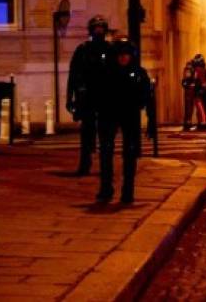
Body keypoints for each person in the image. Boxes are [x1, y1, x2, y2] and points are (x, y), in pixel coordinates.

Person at [97, 37, 155, 204]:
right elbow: (98, 95)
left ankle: (127, 191)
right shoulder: (107, 72)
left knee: (130, 153)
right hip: (110, 114)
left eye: (126, 55)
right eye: (120, 54)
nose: (123, 58)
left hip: (130, 115)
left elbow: (148, 98)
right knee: (106, 152)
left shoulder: (139, 73)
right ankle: (106, 188)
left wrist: (151, 121)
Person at [66, 15, 111, 176]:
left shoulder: (110, 50)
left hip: (105, 98)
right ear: (91, 30)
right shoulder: (83, 50)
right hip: (87, 98)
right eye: (96, 28)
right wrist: (70, 97)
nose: (99, 31)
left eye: (101, 28)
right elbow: (73, 75)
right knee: (86, 134)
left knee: (106, 134)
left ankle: (106, 165)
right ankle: (85, 164)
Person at [181, 62, 196, 131]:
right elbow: (184, 83)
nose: (187, 73)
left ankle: (188, 123)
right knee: (188, 109)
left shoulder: (192, 78)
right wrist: (189, 85)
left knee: (190, 109)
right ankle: (187, 124)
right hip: (188, 94)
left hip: (191, 94)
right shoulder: (186, 79)